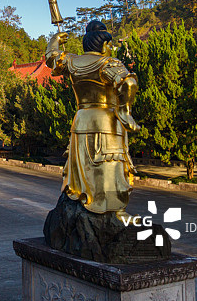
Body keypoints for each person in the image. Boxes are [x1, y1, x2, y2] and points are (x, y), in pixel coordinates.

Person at [45, 20, 138, 214]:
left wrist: (55, 40)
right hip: (107, 120)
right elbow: (128, 83)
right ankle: (110, 209)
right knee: (109, 167)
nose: (110, 48)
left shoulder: (71, 61)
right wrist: (124, 111)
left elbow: (52, 57)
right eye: (109, 45)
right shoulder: (108, 63)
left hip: (81, 119)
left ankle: (82, 199)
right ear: (103, 45)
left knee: (82, 167)